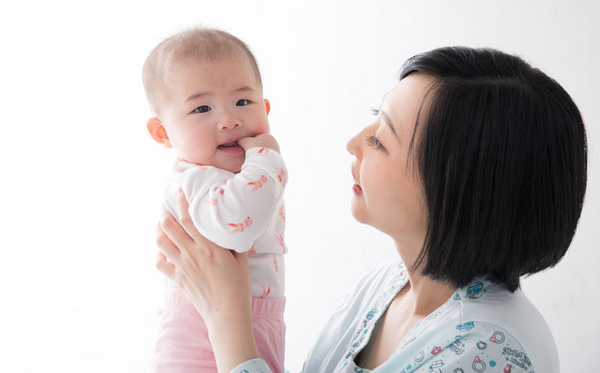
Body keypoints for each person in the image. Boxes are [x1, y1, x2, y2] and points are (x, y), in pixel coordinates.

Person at [155, 46, 587, 372]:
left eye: (381, 138)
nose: (354, 143)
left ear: (458, 187)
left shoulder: (488, 353)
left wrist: (226, 318)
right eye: (374, 116)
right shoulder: (388, 285)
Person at [143, 28, 288, 372]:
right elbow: (235, 227)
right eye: (202, 108)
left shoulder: (237, 176)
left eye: (243, 102)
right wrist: (268, 160)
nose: (229, 121)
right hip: (197, 338)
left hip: (254, 319)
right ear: (163, 132)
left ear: (265, 109)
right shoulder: (193, 178)